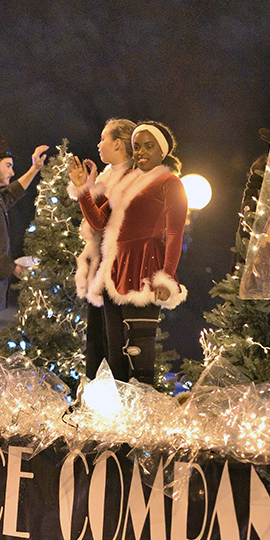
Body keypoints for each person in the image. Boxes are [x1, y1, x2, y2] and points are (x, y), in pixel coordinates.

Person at [68, 121, 188, 384]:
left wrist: (166, 276)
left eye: (149, 146)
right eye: (137, 147)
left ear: (163, 151)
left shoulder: (170, 183)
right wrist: (82, 189)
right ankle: (120, 420)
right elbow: (99, 222)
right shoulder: (126, 182)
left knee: (139, 354)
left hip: (144, 268)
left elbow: (175, 234)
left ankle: (141, 418)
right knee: (115, 356)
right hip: (115, 271)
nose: (141, 152)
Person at [67, 118, 136, 379]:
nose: (99, 144)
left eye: (104, 138)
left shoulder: (129, 177)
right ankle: (96, 397)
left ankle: (110, 397)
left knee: (111, 342)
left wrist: (85, 189)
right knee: (98, 340)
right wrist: (89, 185)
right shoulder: (111, 174)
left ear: (118, 143)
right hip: (101, 268)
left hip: (116, 269)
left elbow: (98, 221)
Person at [0, 134, 49, 344]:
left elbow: (11, 194)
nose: (12, 172)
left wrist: (34, 169)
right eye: (8, 166)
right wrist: (13, 268)